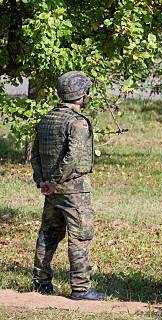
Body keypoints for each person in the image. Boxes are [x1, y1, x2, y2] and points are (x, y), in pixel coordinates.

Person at [30, 71, 106, 300]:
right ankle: (81, 288)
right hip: (74, 188)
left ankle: (41, 282)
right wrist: (53, 181)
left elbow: (35, 154)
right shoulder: (77, 123)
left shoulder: (47, 119)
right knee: (80, 236)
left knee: (48, 235)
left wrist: (43, 180)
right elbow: (73, 157)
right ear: (82, 95)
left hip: (52, 189)